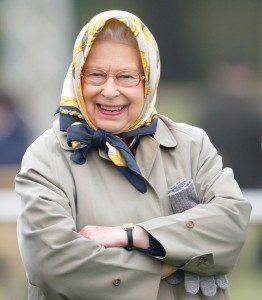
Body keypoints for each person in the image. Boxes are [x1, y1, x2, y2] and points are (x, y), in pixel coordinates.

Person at [15, 10, 251, 300]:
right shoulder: (47, 155)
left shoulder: (192, 144)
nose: (110, 91)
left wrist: (137, 235)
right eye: (96, 75)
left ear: (148, 80)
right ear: (78, 77)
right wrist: (170, 261)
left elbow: (232, 224)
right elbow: (51, 262)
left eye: (126, 77)